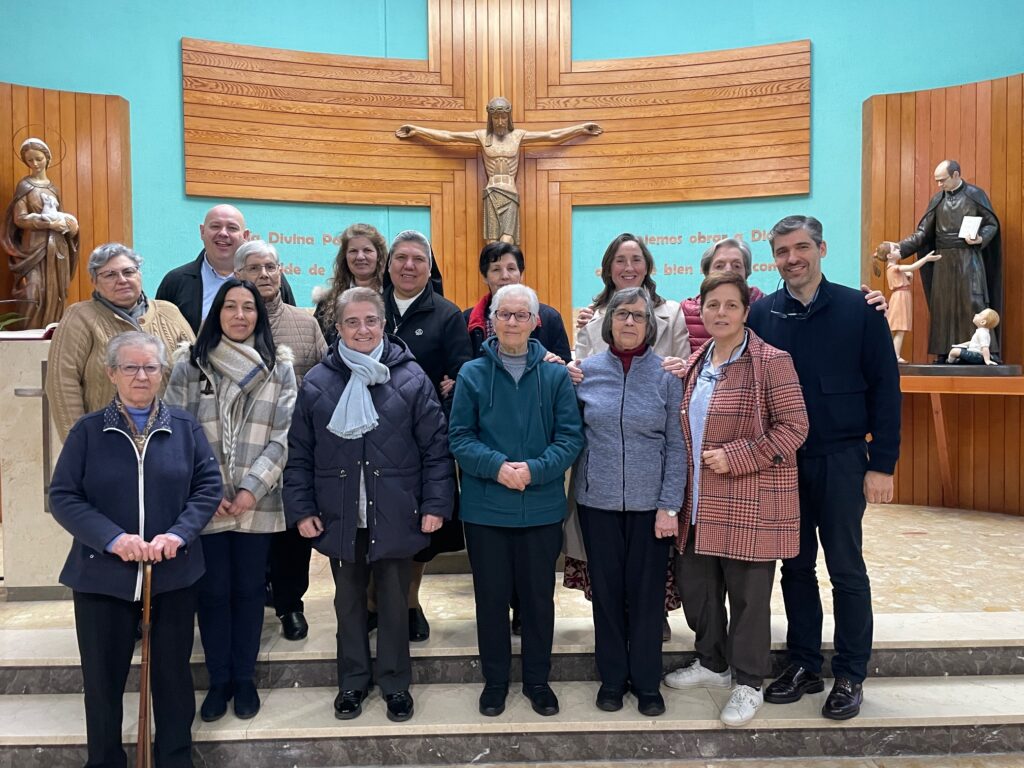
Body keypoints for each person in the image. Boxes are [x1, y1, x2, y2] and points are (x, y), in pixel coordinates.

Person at [748, 215, 901, 721]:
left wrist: (883, 464)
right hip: (784, 462)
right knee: (795, 568)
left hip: (841, 458)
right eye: (782, 251)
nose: (792, 259)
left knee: (846, 568)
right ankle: (804, 663)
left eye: (801, 248)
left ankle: (851, 672)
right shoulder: (762, 314)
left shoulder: (861, 308)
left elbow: (886, 389)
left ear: (821, 249)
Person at [49, 331, 222, 768]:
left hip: (172, 574)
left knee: (173, 679)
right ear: (111, 373)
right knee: (102, 684)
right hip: (101, 577)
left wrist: (178, 535)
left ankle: (174, 760)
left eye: (150, 367)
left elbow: (207, 487)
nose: (141, 376)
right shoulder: (88, 431)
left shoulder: (184, 427)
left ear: (162, 373)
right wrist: (114, 539)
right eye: (130, 367)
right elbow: (64, 496)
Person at [285, 287, 454, 723]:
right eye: (352, 322)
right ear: (338, 328)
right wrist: (302, 509)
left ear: (384, 324)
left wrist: (436, 503)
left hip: (397, 510)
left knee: (395, 604)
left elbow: (435, 449)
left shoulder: (411, 378)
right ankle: (353, 682)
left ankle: (395, 684)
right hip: (340, 512)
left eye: (371, 321)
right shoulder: (318, 382)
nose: (362, 330)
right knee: (348, 604)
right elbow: (299, 452)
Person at [664, 271, 809, 727]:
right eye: (713, 305)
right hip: (698, 503)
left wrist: (738, 456)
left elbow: (795, 427)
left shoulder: (771, 361)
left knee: (749, 598)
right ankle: (712, 662)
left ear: (747, 311)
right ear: (701, 311)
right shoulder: (696, 361)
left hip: (750, 500)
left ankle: (748, 682)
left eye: (731, 305)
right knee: (699, 590)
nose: (721, 313)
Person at [165, 278, 297, 722]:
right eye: (230, 306)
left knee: (249, 591)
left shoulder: (279, 366)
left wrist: (250, 488)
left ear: (260, 315)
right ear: (216, 313)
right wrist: (210, 491)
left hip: (257, 500)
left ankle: (244, 678)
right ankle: (218, 679)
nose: (240, 315)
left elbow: (283, 436)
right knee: (213, 592)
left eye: (248, 307)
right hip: (205, 501)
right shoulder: (190, 363)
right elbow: (176, 432)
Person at [449, 284, 584, 718]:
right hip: (486, 508)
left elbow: (570, 437)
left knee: (538, 601)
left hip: (540, 506)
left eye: (520, 315)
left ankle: (537, 681)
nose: (511, 322)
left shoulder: (554, 375)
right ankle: (495, 682)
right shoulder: (471, 374)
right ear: (492, 321)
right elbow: (459, 437)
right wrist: (497, 467)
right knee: (490, 600)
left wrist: (534, 470)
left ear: (534, 321)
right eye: (503, 314)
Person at [566, 232, 690, 635]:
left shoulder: (671, 317)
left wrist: (669, 504)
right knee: (606, 583)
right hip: (600, 486)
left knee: (647, 583)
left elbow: (676, 438)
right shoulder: (590, 319)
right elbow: (580, 381)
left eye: (636, 259)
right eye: (620, 259)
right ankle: (613, 649)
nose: (628, 267)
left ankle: (649, 635)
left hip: (648, 486)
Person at [574, 287, 685, 717]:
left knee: (646, 597)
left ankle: (647, 682)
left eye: (638, 316)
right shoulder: (586, 373)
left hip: (650, 508)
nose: (630, 322)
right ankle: (612, 679)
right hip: (597, 503)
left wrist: (669, 505)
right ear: (609, 322)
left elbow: (676, 446)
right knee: (605, 595)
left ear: (650, 325)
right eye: (622, 314)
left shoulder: (666, 376)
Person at [234, 239, 327, 642]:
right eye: (254, 268)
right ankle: (251, 605)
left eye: (270, 267)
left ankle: (291, 605)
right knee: (250, 534)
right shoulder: (225, 323)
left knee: (292, 533)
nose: (265, 275)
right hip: (244, 451)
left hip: (294, 450)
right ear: (238, 275)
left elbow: (326, 379)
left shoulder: (305, 323)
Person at [383, 229, 472, 640]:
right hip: (367, 440)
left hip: (422, 443)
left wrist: (441, 428)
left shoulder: (447, 315)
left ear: (430, 267)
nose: (409, 266)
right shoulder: (370, 306)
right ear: (388, 265)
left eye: (418, 259)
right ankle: (372, 604)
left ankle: (409, 602)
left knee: (421, 530)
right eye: (401, 258)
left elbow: (461, 377)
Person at [397, 97, 602, 244]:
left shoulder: (518, 136)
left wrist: (580, 129)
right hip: (491, 193)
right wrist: (417, 130)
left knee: (507, 240)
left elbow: (551, 136)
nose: (501, 122)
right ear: (491, 119)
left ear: (509, 117)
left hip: (510, 193)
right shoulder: (482, 136)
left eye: (504, 117)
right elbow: (449, 137)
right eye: (496, 118)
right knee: (492, 243)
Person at [45, 242, 194, 441]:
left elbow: (197, 371)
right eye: (110, 275)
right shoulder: (80, 317)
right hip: (105, 439)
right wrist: (79, 442)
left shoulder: (169, 313)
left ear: (139, 274)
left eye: (128, 272)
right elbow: (62, 383)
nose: (122, 280)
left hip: (169, 437)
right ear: (94, 281)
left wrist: (190, 436)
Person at [883, 160, 1002, 359]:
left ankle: (981, 353)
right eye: (937, 180)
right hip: (943, 261)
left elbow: (991, 224)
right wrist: (899, 249)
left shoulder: (975, 195)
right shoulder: (938, 200)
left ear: (956, 175)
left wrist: (980, 238)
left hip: (968, 258)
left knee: (973, 303)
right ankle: (946, 352)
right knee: (943, 307)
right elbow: (922, 233)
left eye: (942, 180)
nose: (939, 184)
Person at [156, 204, 296, 333]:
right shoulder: (175, 281)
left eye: (232, 228)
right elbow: (161, 333)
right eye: (215, 226)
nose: (223, 233)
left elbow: (290, 326)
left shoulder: (270, 279)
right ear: (202, 231)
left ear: (245, 236)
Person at [0, 138, 80, 329]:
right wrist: (46, 222)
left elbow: (61, 217)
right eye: (30, 160)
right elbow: (19, 218)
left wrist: (71, 228)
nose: (35, 164)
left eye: (39, 159)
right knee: (33, 292)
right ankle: (29, 336)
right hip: (33, 248)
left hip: (57, 248)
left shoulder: (53, 189)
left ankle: (51, 334)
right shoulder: (25, 186)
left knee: (56, 292)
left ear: (47, 158)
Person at [464, 241, 571, 362]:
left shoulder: (549, 317)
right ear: (484, 277)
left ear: (521, 274)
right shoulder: (467, 320)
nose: (505, 276)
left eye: (511, 268)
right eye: (496, 269)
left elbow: (565, 365)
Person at [680, 239, 764, 349]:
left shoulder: (767, 308)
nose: (728, 270)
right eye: (719, 266)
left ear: (746, 272)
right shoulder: (685, 312)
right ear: (707, 272)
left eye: (736, 266)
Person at [313, 223, 388, 345]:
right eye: (353, 251)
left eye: (367, 250)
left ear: (378, 255)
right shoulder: (327, 304)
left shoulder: (393, 298)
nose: (360, 257)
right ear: (345, 257)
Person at [877, 244, 941, 363]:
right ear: (889, 255)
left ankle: (893, 354)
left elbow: (906, 277)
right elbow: (912, 267)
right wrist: (926, 259)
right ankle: (894, 355)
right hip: (900, 297)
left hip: (902, 295)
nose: (898, 250)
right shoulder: (894, 268)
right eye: (895, 249)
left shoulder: (894, 269)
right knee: (899, 328)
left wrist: (908, 277)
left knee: (899, 328)